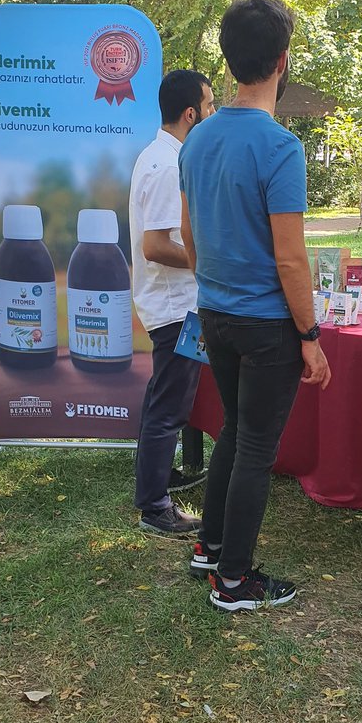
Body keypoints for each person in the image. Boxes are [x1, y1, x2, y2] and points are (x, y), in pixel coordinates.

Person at [179, 0, 331, 611]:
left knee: (235, 435)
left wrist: (213, 289)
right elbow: (291, 259)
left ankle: (208, 550)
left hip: (215, 312)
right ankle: (235, 581)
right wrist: (311, 335)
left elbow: (191, 236)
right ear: (283, 61)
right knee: (253, 449)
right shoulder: (280, 147)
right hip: (267, 324)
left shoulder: (197, 138)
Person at [129, 69, 216, 537]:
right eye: (209, 105)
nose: (213, 113)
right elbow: (156, 246)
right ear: (191, 113)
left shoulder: (165, 155)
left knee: (163, 396)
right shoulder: (168, 165)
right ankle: (154, 506)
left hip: (175, 304)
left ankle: (159, 478)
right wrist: (206, 264)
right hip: (176, 307)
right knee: (171, 403)